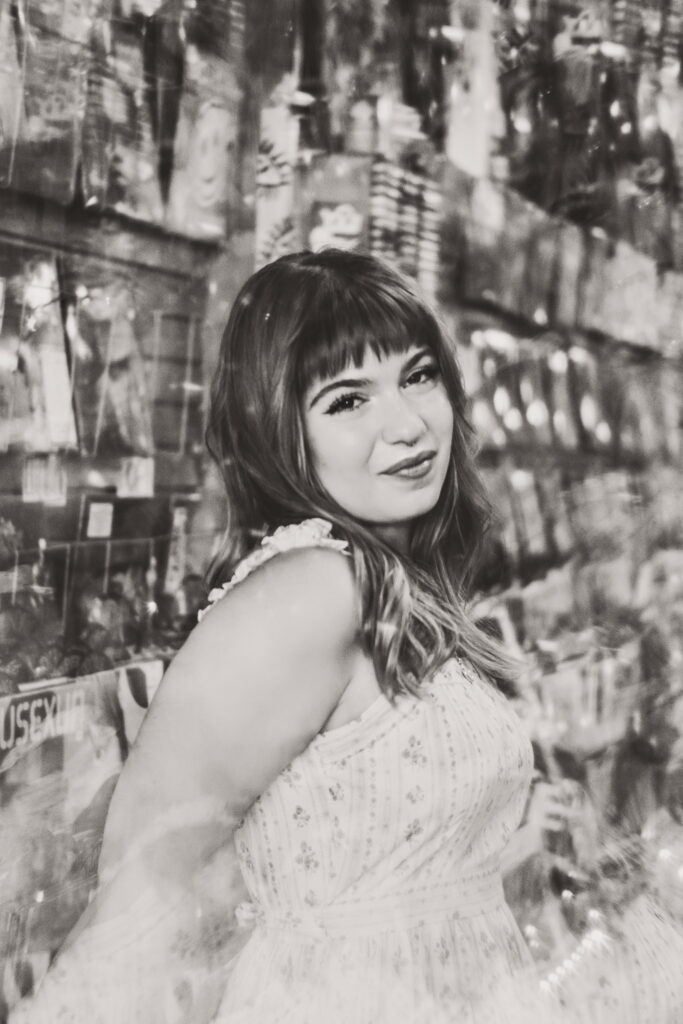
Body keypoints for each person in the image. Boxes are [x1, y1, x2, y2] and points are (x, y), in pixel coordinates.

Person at [10, 249, 681, 1023]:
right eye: (347, 399)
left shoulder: (389, 580)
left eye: (418, 376)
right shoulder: (312, 591)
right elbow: (142, 895)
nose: (407, 424)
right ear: (277, 430)